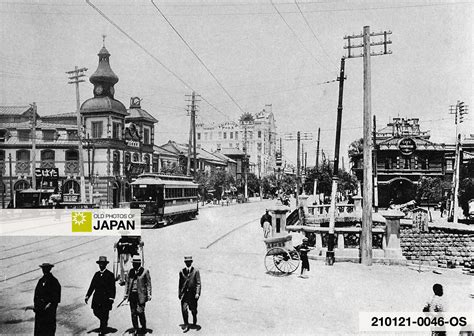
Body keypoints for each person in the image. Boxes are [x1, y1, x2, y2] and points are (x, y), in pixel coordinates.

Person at [85, 256, 116, 334]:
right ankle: (103, 323)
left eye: (102, 264)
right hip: (97, 298)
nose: (101, 265)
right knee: (96, 312)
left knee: (105, 312)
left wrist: (112, 298)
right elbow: (92, 285)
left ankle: (103, 329)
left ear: (105, 265)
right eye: (100, 264)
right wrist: (87, 295)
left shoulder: (110, 274)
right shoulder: (97, 274)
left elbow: (112, 287)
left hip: (106, 298)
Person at [124, 256, 152, 334]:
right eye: (133, 263)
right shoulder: (130, 271)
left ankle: (143, 327)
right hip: (132, 295)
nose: (134, 265)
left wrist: (149, 294)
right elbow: (127, 283)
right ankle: (136, 328)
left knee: (140, 312)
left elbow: (149, 283)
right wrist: (126, 293)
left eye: (135, 263)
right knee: (133, 313)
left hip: (141, 295)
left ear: (139, 263)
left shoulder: (145, 271)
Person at [33, 263, 61, 336]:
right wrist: (36, 306)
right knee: (39, 330)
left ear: (49, 269)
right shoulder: (41, 280)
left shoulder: (54, 281)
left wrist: (50, 305)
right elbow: (36, 294)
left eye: (46, 269)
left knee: (48, 329)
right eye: (43, 269)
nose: (44, 270)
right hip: (40, 310)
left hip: (49, 311)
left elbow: (56, 297)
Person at [179, 256, 201, 333]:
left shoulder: (196, 271)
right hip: (185, 294)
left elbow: (198, 283)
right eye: (186, 262)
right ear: (185, 263)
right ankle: (186, 325)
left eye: (189, 262)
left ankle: (194, 317)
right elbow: (180, 283)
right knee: (184, 309)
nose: (187, 263)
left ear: (191, 262)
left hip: (193, 294)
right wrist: (179, 293)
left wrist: (197, 293)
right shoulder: (182, 271)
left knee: (193, 309)